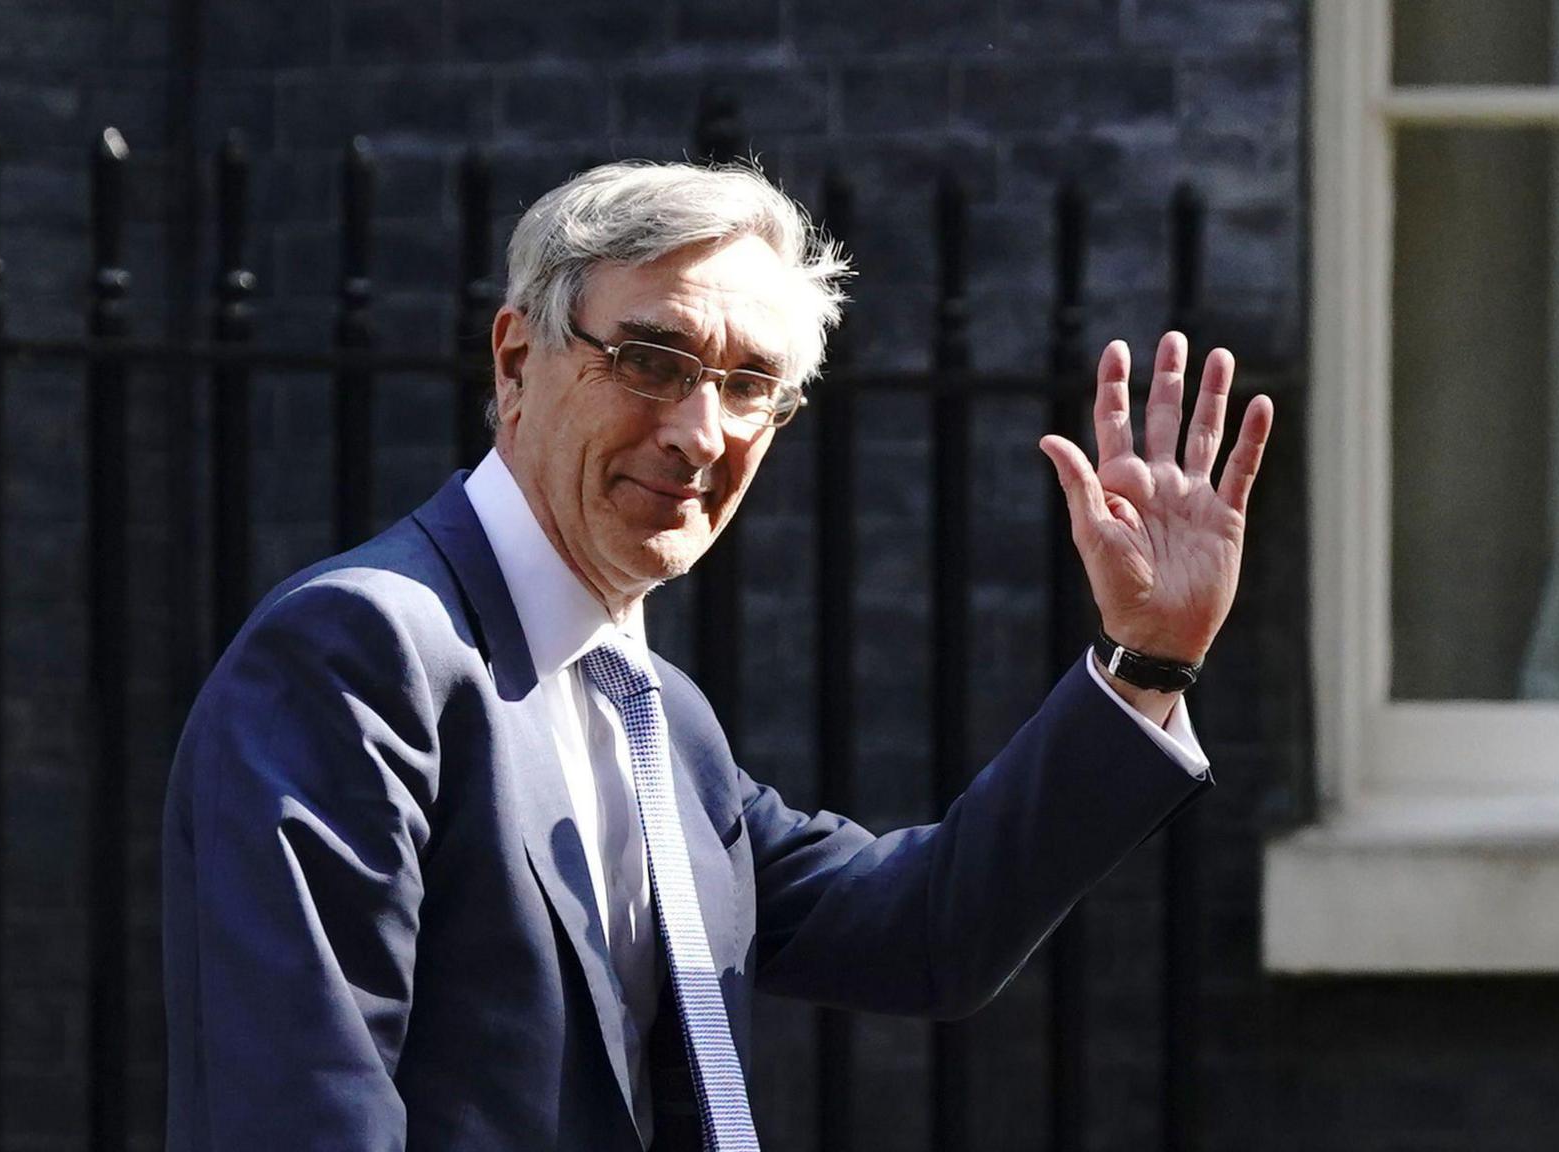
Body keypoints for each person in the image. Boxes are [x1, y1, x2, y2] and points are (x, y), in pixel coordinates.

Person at [161, 160, 1274, 1151]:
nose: (700, 434)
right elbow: (301, 1109)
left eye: (748, 386)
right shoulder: (361, 648)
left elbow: (926, 933)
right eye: (651, 358)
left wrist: (1145, 662)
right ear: (514, 361)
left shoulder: (659, 715)